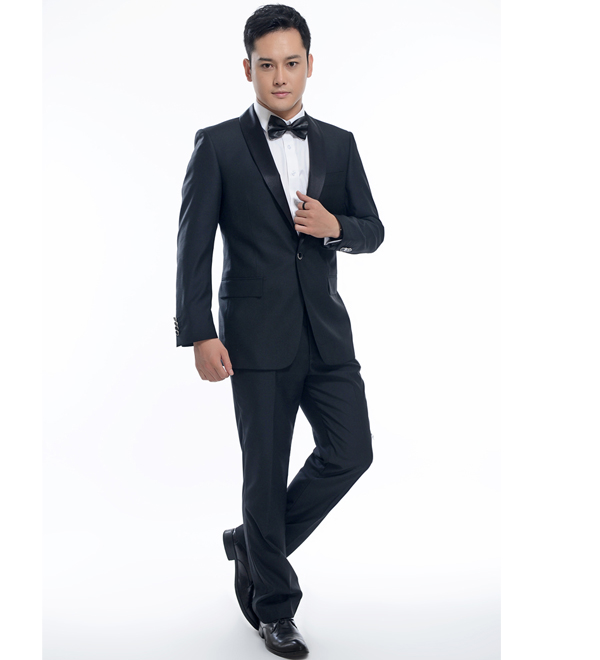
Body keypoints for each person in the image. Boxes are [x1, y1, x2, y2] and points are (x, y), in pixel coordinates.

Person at [174, 5, 384, 657]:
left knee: (351, 452)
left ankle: (252, 544)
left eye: (292, 63)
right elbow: (192, 247)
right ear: (248, 69)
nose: (280, 76)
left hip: (326, 334)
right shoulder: (217, 144)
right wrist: (198, 331)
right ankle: (274, 608)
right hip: (253, 338)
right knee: (263, 476)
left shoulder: (340, 144)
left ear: (310, 65)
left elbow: (373, 229)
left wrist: (337, 228)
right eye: (267, 65)